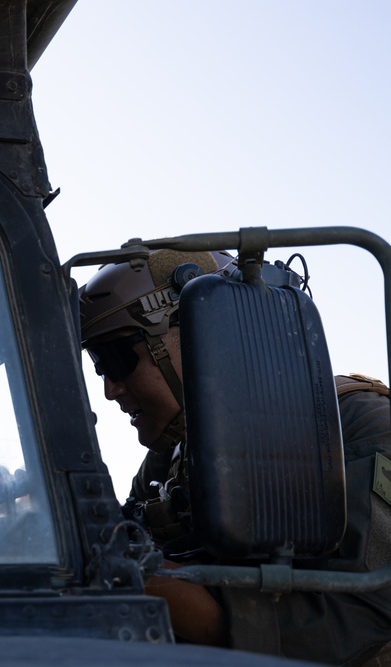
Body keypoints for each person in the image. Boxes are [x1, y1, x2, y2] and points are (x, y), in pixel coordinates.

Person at [78, 249, 391, 664]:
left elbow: (350, 623)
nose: (110, 389)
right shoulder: (173, 455)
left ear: (204, 331)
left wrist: (145, 581)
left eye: (117, 359)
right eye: (100, 366)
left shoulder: (354, 426)